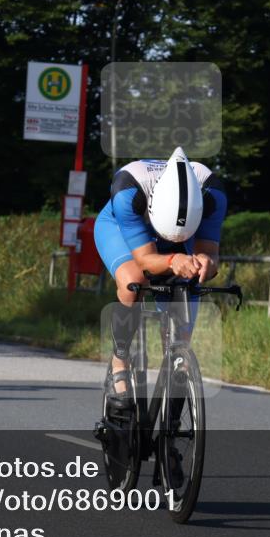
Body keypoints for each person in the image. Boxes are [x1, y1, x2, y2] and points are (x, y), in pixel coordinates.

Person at [94, 147, 227, 409]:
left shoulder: (213, 193)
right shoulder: (128, 190)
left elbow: (210, 254)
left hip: (185, 235)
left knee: (187, 288)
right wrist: (171, 260)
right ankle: (120, 362)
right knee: (135, 282)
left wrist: (204, 264)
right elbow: (145, 261)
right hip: (123, 230)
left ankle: (174, 404)